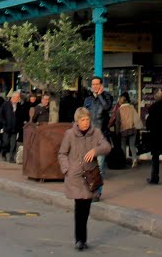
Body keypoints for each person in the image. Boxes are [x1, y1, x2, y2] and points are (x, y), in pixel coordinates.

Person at [58, 107, 111, 251]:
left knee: (85, 208)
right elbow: (62, 153)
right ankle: (79, 240)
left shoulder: (96, 132)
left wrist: (96, 151)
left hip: (90, 177)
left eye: (87, 119)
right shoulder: (70, 134)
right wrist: (66, 169)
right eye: (83, 120)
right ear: (77, 121)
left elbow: (107, 146)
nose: (86, 122)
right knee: (79, 207)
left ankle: (83, 239)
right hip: (75, 176)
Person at [83, 76, 114, 200]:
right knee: (87, 166)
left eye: (97, 84)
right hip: (88, 136)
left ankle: (97, 192)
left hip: (101, 136)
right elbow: (83, 115)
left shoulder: (107, 97)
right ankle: (88, 190)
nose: (95, 86)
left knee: (99, 166)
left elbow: (107, 107)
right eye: (93, 84)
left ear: (101, 85)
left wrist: (100, 95)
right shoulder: (88, 99)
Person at [113, 93, 140, 167]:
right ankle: (134, 160)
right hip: (132, 128)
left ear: (121, 102)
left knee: (123, 145)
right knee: (132, 145)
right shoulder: (132, 107)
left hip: (123, 129)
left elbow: (117, 122)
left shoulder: (119, 110)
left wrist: (117, 131)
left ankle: (123, 161)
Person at [0, 91, 21, 162]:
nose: (18, 99)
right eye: (17, 97)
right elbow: (1, 114)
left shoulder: (19, 105)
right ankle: (3, 153)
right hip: (7, 127)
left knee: (13, 144)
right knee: (6, 142)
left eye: (18, 97)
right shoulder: (5, 104)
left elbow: (20, 116)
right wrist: (3, 123)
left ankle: (11, 158)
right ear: (13, 97)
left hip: (15, 128)